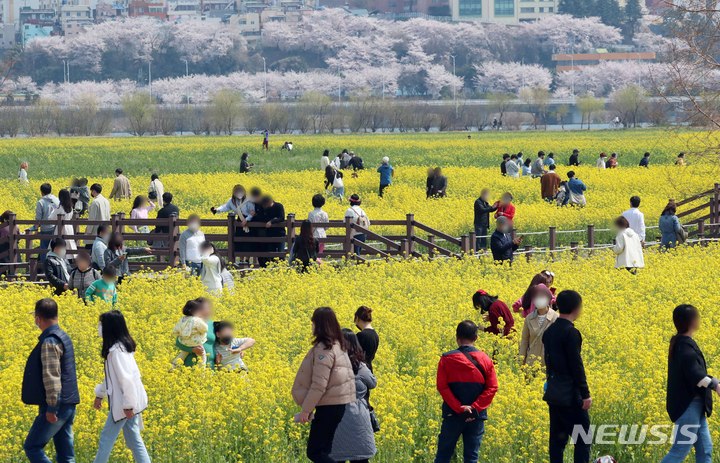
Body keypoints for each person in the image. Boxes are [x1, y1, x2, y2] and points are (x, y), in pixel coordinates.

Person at [291, 307, 356, 463]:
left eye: (313, 322)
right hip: (337, 405)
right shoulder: (338, 345)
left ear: (319, 325)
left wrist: (306, 410)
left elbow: (319, 384)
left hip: (328, 406)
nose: (311, 325)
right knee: (325, 450)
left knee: (315, 452)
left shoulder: (324, 349)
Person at [22, 298, 80, 463]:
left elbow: (52, 376)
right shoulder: (63, 336)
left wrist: (52, 408)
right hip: (69, 403)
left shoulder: (50, 341)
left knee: (32, 447)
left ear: (38, 318)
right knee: (66, 455)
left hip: (57, 406)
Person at [433, 320, 498, 463]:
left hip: (452, 415)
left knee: (443, 456)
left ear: (457, 337)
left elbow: (442, 386)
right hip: (476, 416)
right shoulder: (486, 359)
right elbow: (492, 387)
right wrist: (475, 408)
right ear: (476, 338)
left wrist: (459, 408)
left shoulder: (447, 359)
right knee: (471, 457)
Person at [661, 304, 718, 463]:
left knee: (705, 449)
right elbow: (696, 374)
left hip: (695, 406)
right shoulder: (684, 346)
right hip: (689, 407)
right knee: (679, 451)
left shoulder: (681, 343)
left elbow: (695, 373)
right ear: (692, 322)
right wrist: (716, 385)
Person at [92, 310, 150, 463]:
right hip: (126, 402)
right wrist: (100, 394)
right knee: (133, 439)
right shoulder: (118, 349)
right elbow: (111, 378)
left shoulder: (117, 352)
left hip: (124, 404)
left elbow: (127, 379)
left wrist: (128, 405)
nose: (99, 328)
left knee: (106, 438)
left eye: (101, 325)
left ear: (109, 328)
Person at [542, 290, 591, 463]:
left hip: (555, 393)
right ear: (576, 308)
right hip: (571, 395)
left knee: (556, 441)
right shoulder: (571, 333)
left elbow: (549, 363)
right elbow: (576, 366)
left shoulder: (549, 332)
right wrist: (585, 394)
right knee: (583, 439)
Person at [329, 329, 377, 463]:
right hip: (358, 419)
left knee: (337, 457)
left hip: (336, 418)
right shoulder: (361, 367)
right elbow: (372, 383)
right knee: (360, 459)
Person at [518, 284, 558, 366]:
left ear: (548, 299)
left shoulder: (556, 318)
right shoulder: (529, 318)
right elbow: (524, 341)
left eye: (541, 296)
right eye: (536, 297)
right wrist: (521, 361)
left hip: (550, 364)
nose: (538, 299)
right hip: (531, 363)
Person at [211, 184, 256, 255]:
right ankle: (241, 259)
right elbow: (225, 207)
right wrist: (217, 210)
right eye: (237, 191)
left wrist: (247, 219)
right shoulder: (232, 201)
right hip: (239, 221)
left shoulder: (248, 200)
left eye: (240, 191)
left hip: (249, 221)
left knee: (249, 241)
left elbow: (253, 212)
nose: (239, 193)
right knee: (239, 240)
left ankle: (248, 259)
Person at [175, 297, 216, 368]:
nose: (208, 310)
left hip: (211, 366)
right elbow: (179, 342)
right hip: (191, 365)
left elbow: (220, 343)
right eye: (204, 308)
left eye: (208, 308)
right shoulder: (188, 322)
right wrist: (192, 350)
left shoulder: (212, 324)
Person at [29, 183, 59, 262]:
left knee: (44, 250)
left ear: (41, 192)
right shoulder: (56, 200)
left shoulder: (41, 202)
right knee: (54, 249)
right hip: (56, 228)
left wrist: (35, 229)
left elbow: (38, 218)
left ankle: (44, 268)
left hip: (46, 229)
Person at [258, 195, 286, 267]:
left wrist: (272, 221)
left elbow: (281, 218)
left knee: (280, 254)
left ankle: (281, 269)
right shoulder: (263, 208)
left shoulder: (279, 206)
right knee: (270, 254)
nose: (264, 207)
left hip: (280, 234)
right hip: (269, 235)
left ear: (269, 202)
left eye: (265, 205)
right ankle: (272, 269)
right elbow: (260, 217)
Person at [354, 306, 379, 374]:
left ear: (357, 318)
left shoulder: (361, 335)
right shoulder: (375, 335)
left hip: (360, 371)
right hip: (369, 371)